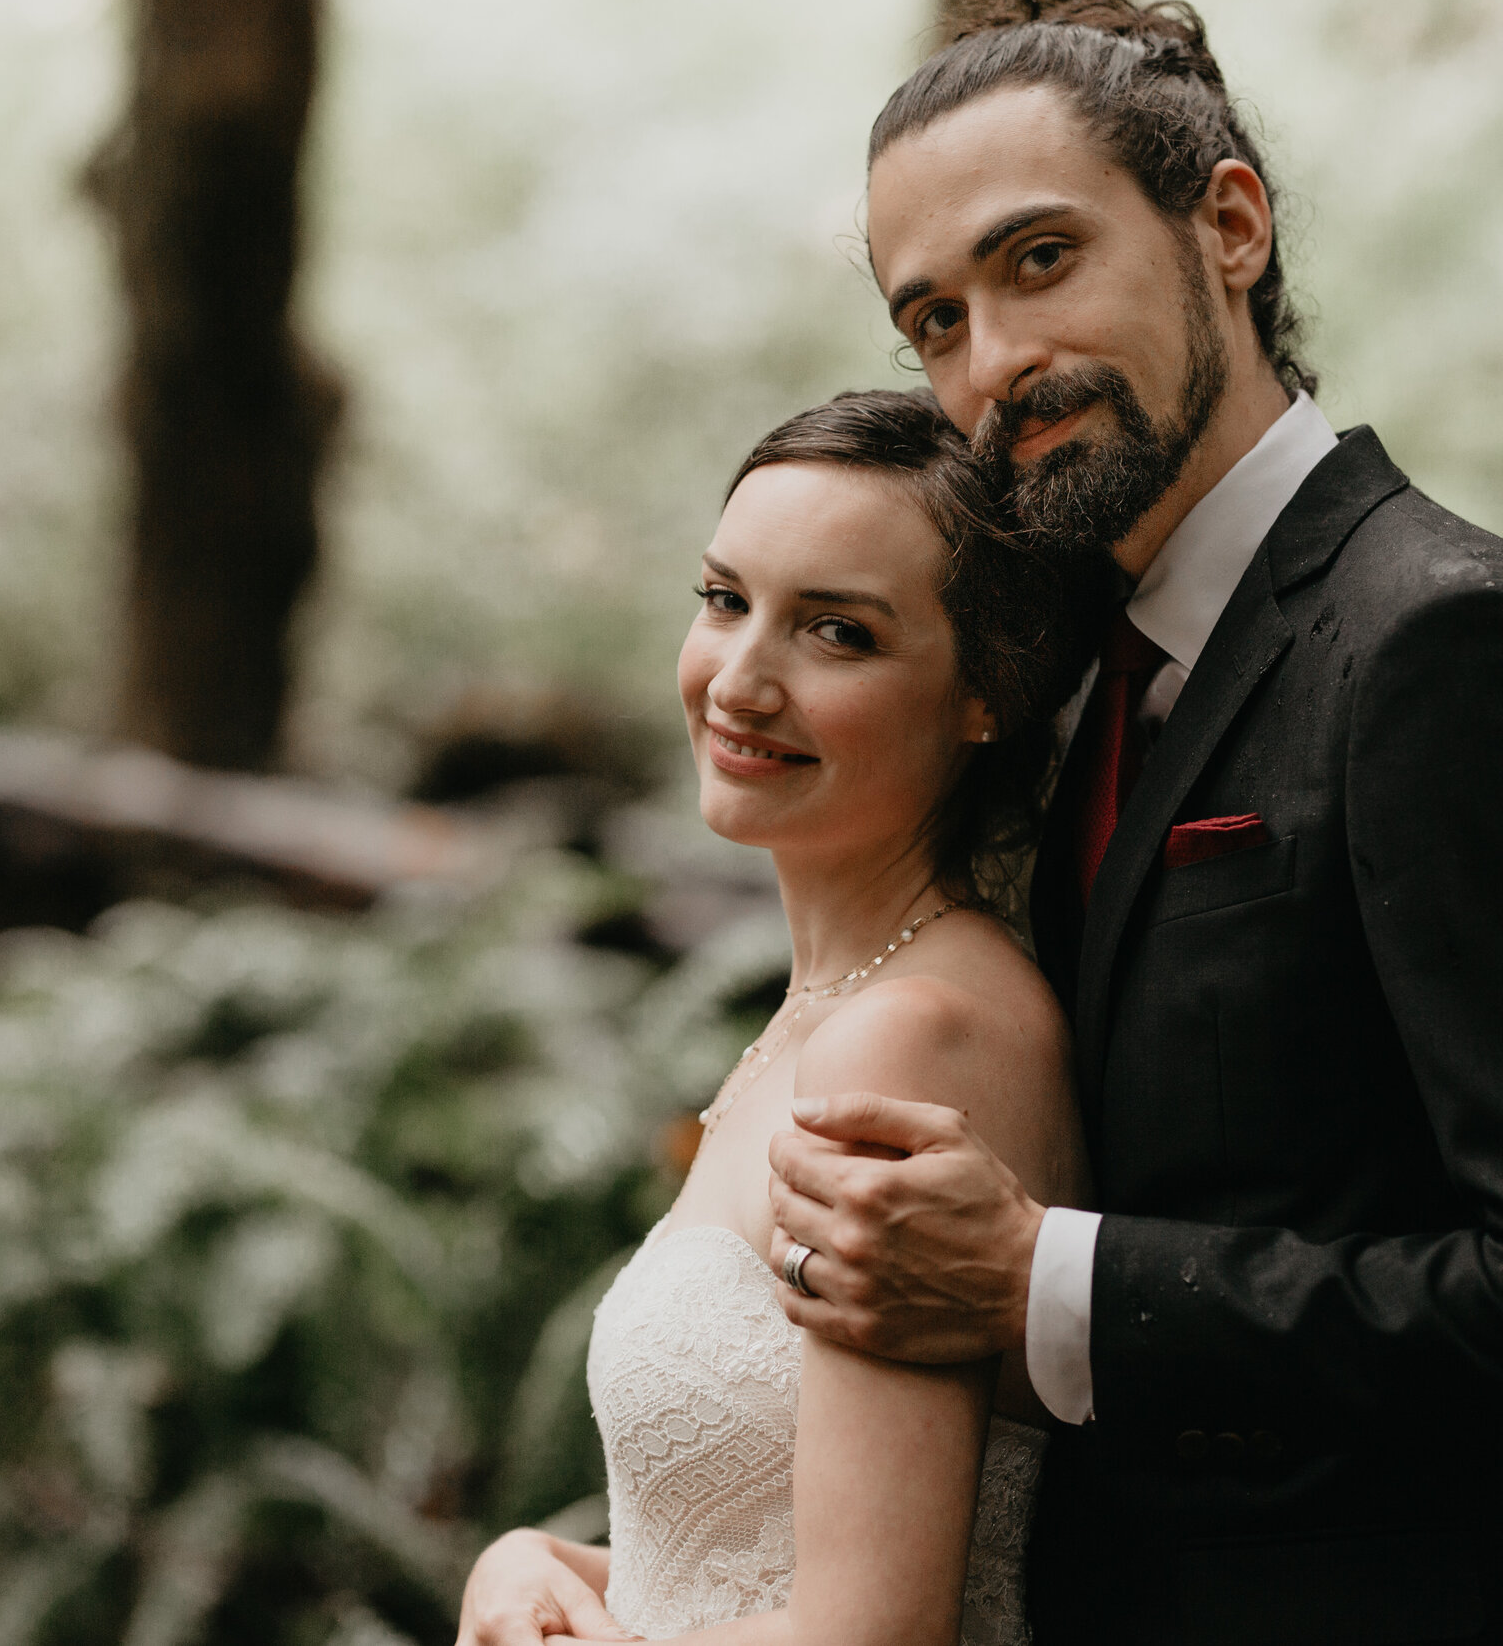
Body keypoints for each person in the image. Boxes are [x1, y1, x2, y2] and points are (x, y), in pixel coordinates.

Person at [758, 0, 1503, 1645]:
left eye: (1040, 261)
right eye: (933, 320)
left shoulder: (1443, 640)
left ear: (1227, 223)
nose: (992, 365)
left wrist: (1046, 1283)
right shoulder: (1072, 684)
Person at [455, 389, 1096, 1646]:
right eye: (724, 599)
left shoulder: (912, 1038)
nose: (741, 679)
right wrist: (533, 1562)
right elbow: (754, 1551)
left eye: (837, 633)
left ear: (987, 690)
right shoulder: (833, 1007)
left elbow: (872, 1629)